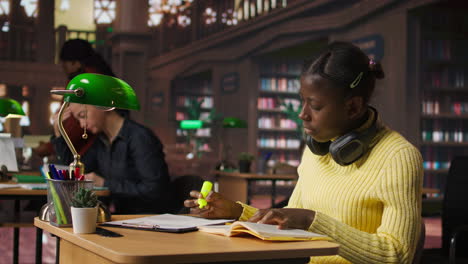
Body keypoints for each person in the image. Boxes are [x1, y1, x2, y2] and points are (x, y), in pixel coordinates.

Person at [185, 41, 423, 263]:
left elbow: (397, 254)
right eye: (303, 101)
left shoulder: (398, 156)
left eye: (315, 105)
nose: (302, 113)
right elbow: (286, 219)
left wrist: (311, 220)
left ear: (353, 107)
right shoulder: (317, 149)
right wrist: (237, 211)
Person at [53, 102, 175, 214]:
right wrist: (59, 133)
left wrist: (105, 184)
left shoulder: (140, 138)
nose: (82, 124)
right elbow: (75, 169)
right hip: (123, 218)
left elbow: (155, 189)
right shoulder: (101, 141)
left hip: (151, 220)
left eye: (83, 115)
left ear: (104, 105)